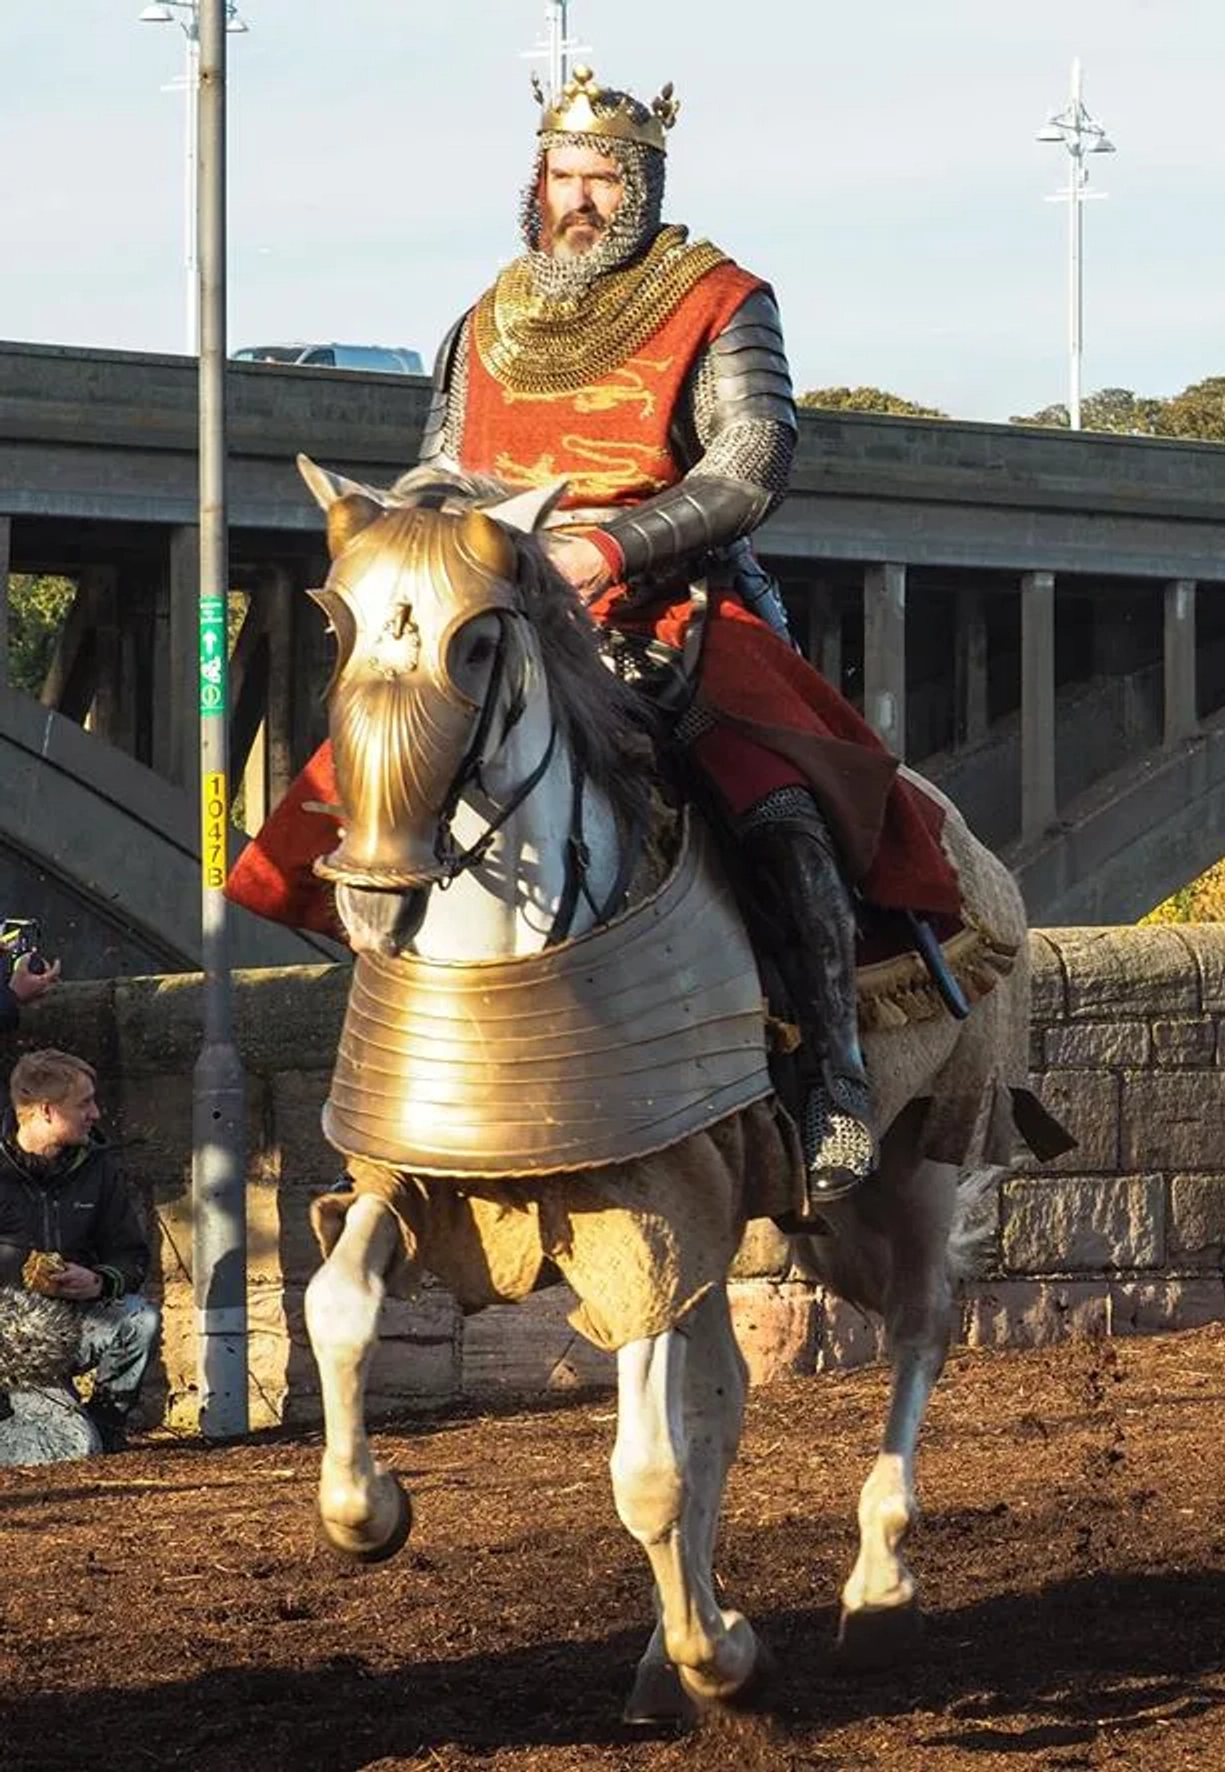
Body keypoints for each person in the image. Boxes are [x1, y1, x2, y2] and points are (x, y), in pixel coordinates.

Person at [227, 69, 964, 1204]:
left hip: (667, 602)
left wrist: (608, 548)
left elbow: (749, 465)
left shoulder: (719, 297)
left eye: (602, 179)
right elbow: (441, 456)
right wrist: (423, 521)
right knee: (365, 771)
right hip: (499, 601)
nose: (580, 199)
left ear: (643, 184)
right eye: (563, 177)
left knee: (782, 802)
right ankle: (407, 1078)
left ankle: (835, 1082)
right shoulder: (487, 316)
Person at [0, 1049, 155, 1452]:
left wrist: (99, 1281)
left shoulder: (97, 1168)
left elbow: (132, 1257)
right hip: (12, 1340)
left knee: (139, 1319)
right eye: (84, 1103)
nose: (96, 1113)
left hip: (70, 1325)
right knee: (71, 1447)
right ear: (46, 1111)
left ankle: (107, 1429)